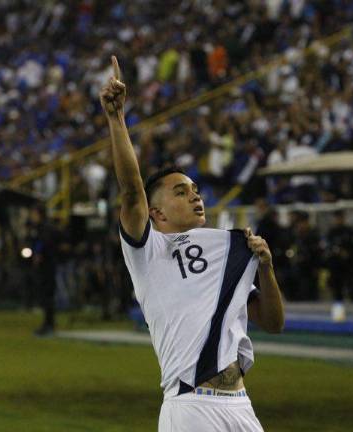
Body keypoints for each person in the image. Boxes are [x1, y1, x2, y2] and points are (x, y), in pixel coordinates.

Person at [101, 56, 284, 431]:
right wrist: (117, 119)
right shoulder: (148, 251)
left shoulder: (224, 254)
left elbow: (273, 323)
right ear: (156, 212)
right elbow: (132, 192)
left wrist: (266, 269)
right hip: (191, 406)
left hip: (240, 405)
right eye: (181, 192)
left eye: (195, 190)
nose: (195, 196)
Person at [29, 205, 61, 336]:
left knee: (47, 295)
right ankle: (49, 323)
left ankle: (48, 324)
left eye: (33, 213)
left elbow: (42, 243)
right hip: (49, 264)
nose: (32, 216)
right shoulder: (47, 227)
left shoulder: (44, 228)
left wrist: (38, 254)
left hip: (47, 266)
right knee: (48, 295)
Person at [324, 209, 353, 302]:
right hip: (335, 266)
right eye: (336, 218)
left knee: (352, 288)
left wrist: (348, 253)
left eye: (340, 217)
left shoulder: (351, 231)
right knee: (337, 290)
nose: (338, 220)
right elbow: (326, 248)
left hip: (349, 265)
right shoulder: (331, 232)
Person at [290, 210, 323, 301]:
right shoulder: (298, 235)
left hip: (311, 268)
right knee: (302, 291)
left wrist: (317, 267)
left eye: (302, 223)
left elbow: (318, 253)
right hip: (301, 268)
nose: (300, 225)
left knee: (312, 292)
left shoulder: (314, 234)